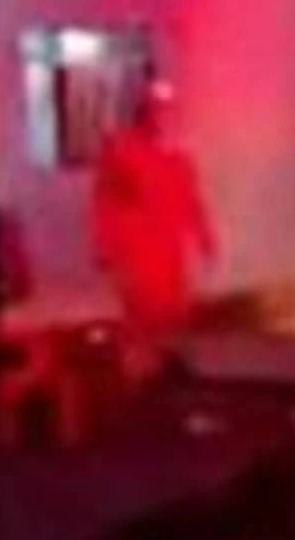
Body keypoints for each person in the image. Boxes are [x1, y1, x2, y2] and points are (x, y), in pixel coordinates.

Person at [91, 80, 217, 383]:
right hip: (136, 253)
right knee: (140, 318)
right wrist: (104, 249)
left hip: (169, 254)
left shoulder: (178, 156)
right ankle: (138, 375)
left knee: (172, 315)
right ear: (144, 112)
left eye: (168, 110)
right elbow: (104, 203)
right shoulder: (121, 151)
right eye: (157, 109)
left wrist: (206, 241)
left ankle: (166, 372)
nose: (163, 116)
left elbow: (191, 202)